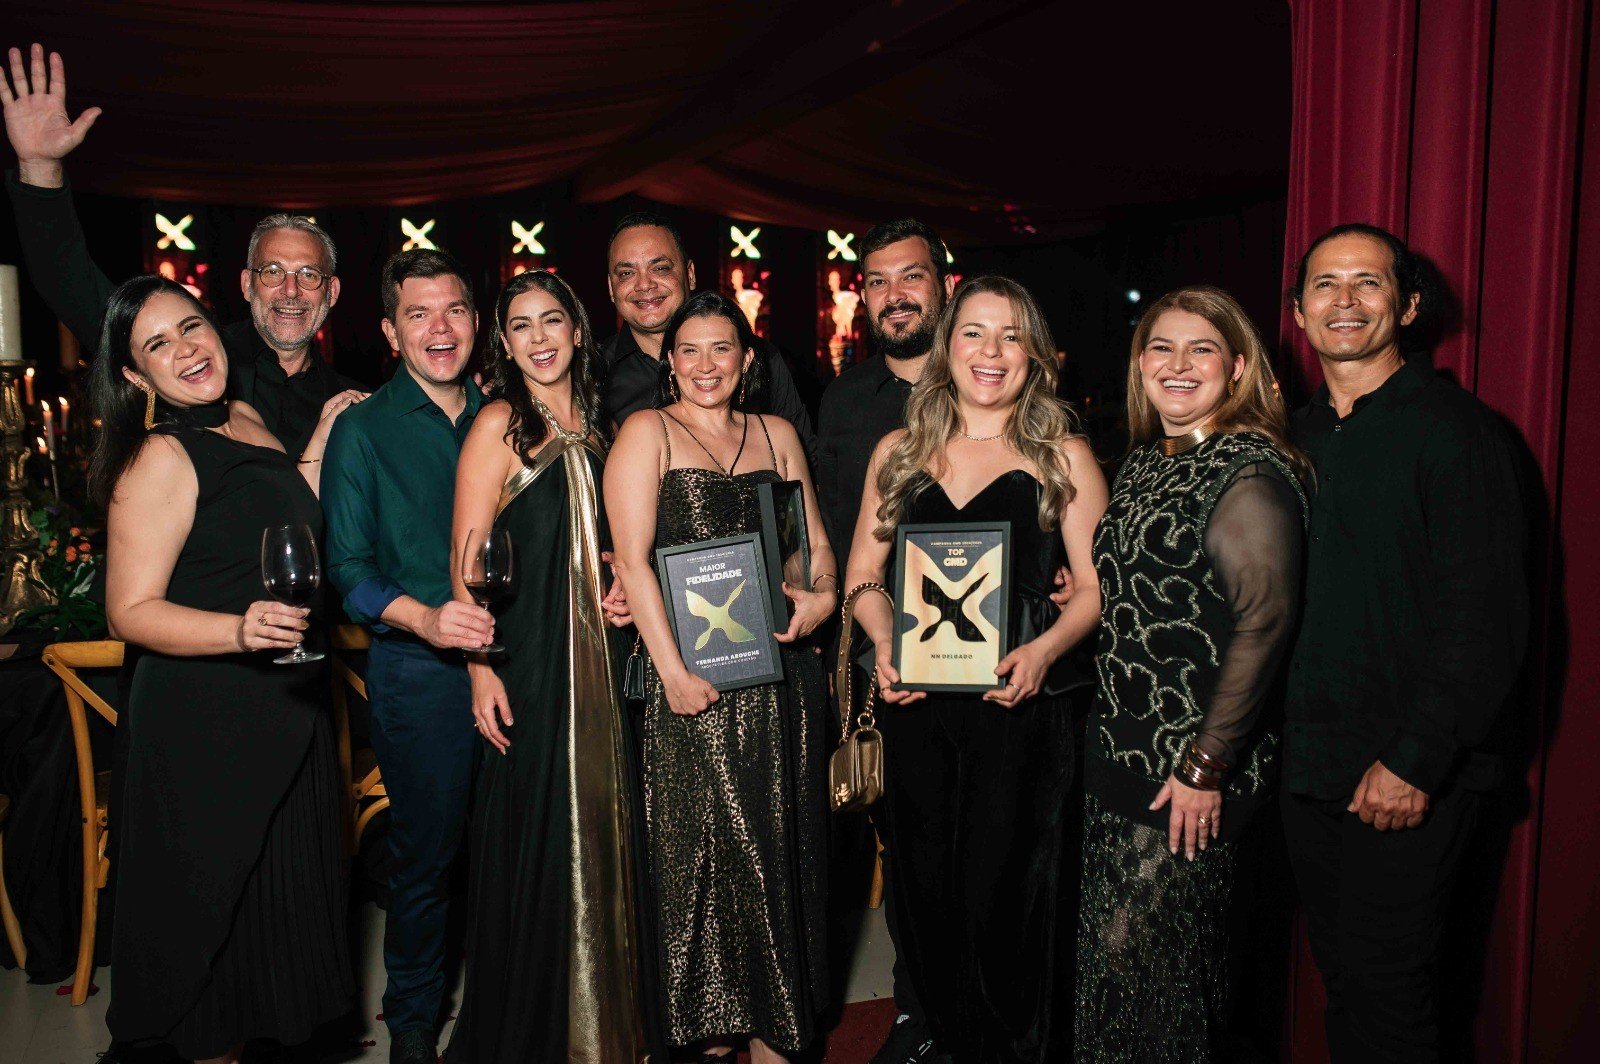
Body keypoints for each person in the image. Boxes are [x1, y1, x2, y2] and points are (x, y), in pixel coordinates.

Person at [1279, 223, 1528, 1063]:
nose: (1344, 301)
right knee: (1347, 987)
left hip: (1406, 774)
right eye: (1325, 285)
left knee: (1389, 1000)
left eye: (1369, 283)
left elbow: (1485, 615)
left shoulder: (1458, 433)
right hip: (1306, 768)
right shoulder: (1291, 440)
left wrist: (1416, 759)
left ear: (1410, 305)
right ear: (1299, 313)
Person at [94, 276, 359, 1063]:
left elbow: (277, 516)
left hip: (284, 702)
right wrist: (239, 630)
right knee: (210, 943)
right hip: (203, 718)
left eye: (191, 326)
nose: (186, 349)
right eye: (158, 344)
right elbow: (128, 611)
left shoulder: (243, 415)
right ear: (136, 375)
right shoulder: (158, 454)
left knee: (274, 942)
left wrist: (320, 439)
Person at [843, 276, 1107, 1062]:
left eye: (1010, 335)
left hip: (1020, 710)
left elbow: (1095, 590)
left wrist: (1044, 651)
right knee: (922, 891)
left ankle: (1008, 1048)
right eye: (974, 333)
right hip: (917, 709)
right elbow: (862, 578)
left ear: (1034, 354)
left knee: (1006, 897)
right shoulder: (898, 452)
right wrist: (884, 640)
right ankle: (937, 1036)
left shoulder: (1062, 454)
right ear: (947, 347)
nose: (991, 352)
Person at [1075, 286, 1309, 1062]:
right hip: (1123, 755)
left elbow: (1265, 623)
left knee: (1158, 980)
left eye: (1201, 349)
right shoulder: (1150, 459)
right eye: (1161, 347)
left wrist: (1206, 766)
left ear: (1237, 366)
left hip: (1189, 775)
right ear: (1139, 364)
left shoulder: (1248, 472)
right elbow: (1154, 584)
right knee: (1120, 969)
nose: (1178, 364)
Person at [604, 291, 836, 1062]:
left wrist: (820, 599)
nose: (707, 365)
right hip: (694, 692)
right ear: (669, 363)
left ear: (747, 360)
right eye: (690, 350)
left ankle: (776, 1031)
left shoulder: (777, 433)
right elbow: (632, 562)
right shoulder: (647, 432)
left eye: (722, 348)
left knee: (778, 864)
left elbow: (812, 551)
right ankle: (706, 1034)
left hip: (781, 688)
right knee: (707, 870)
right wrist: (670, 673)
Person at [443, 269, 652, 1062]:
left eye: (552, 320)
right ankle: (535, 1034)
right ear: (503, 342)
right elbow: (465, 560)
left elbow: (625, 544)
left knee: (611, 821)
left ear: (576, 330)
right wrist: (479, 667)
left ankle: (614, 1029)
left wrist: (626, 582)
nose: (539, 338)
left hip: (609, 657)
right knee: (537, 831)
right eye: (522, 325)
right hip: (528, 657)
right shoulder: (498, 423)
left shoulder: (607, 426)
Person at [1, 43, 366, 457]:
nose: (291, 290)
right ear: (247, 284)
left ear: (332, 292)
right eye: (272, 271)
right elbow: (69, 284)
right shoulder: (186, 359)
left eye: (309, 275)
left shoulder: (355, 407)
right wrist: (39, 167)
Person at [321, 249, 496, 1064]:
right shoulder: (364, 430)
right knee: (426, 857)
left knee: (512, 847)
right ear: (392, 332)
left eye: (454, 309)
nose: (440, 328)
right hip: (420, 674)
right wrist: (425, 619)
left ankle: (509, 1005)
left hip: (521, 666)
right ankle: (415, 1024)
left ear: (477, 322)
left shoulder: (511, 415)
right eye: (418, 314)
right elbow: (348, 570)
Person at [814, 217, 954, 1063]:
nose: (894, 295)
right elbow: (833, 535)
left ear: (945, 285)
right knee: (899, 838)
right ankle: (917, 1009)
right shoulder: (845, 400)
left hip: (986, 652)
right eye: (877, 282)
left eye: (911, 277)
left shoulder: (990, 377)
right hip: (876, 651)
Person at [600, 210, 816, 454]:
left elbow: (807, 460)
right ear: (611, 287)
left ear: (690, 274)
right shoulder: (591, 373)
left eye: (660, 268)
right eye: (626, 273)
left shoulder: (761, 358)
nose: (644, 285)